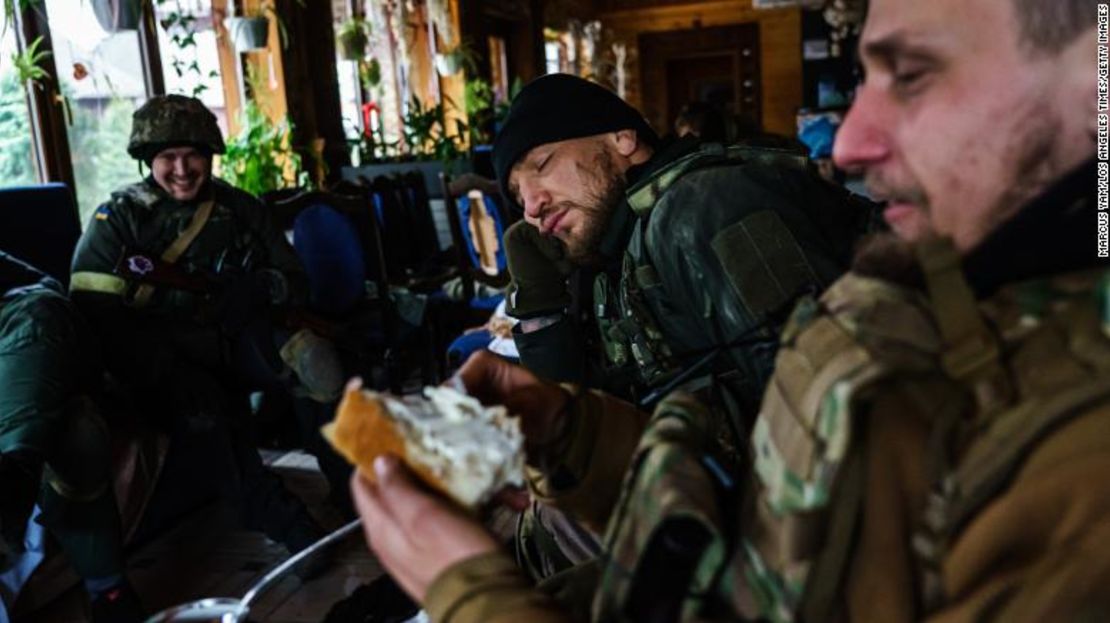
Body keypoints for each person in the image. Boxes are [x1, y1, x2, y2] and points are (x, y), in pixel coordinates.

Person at [350, 0, 1108, 620]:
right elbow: (806, 476)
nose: (846, 144)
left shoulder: (703, 208)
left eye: (912, 75)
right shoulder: (981, 293)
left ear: (625, 141)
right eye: (517, 191)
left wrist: (473, 598)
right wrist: (573, 431)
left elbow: (781, 435)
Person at [68, 95, 339, 561]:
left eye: (192, 155)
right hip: (155, 359)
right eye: (167, 157)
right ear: (147, 161)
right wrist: (160, 365)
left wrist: (260, 287)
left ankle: (355, 487)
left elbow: (295, 281)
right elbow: (92, 313)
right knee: (204, 406)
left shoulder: (240, 210)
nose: (181, 169)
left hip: (233, 339)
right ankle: (283, 523)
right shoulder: (118, 221)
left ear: (210, 156)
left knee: (318, 362)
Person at [0, 252, 141, 621]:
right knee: (75, 431)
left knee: (43, 313)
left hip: (28, 350)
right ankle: (111, 592)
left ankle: (109, 593)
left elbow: (43, 293)